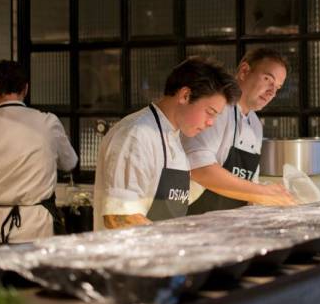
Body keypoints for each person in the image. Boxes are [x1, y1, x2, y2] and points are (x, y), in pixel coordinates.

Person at [93, 57, 242, 230]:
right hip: (128, 255)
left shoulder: (174, 137)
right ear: (185, 96)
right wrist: (174, 239)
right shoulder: (136, 134)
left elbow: (173, 201)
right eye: (210, 112)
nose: (211, 123)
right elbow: (118, 217)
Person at [0, 60, 77, 243]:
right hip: (38, 226)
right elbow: (70, 163)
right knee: (37, 272)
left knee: (0, 273)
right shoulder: (48, 122)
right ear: (25, 89)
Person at [183, 48, 295, 214]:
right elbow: (200, 169)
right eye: (267, 79)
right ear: (244, 71)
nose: (272, 92)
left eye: (277, 88)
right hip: (195, 220)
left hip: (231, 226)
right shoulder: (216, 111)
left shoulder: (256, 125)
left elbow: (249, 186)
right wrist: (262, 193)